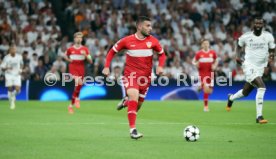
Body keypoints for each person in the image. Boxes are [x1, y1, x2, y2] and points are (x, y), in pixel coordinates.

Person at [102, 16, 166, 139]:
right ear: (139, 26)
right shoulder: (127, 40)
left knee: (137, 105)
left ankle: (126, 102)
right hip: (131, 76)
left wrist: (160, 67)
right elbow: (112, 52)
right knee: (133, 96)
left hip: (145, 79)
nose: (150, 28)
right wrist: (106, 66)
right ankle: (133, 130)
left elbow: (162, 55)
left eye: (151, 26)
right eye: (148, 26)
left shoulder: (153, 41)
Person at [226, 17, 275, 124]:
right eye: (256, 23)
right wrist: (237, 56)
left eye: (260, 23)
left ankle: (231, 98)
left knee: (245, 92)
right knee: (262, 87)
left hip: (260, 67)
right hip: (248, 65)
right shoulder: (246, 36)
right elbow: (238, 44)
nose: (258, 25)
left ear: (263, 25)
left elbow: (272, 48)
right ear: (253, 24)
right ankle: (259, 116)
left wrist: (271, 55)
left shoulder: (268, 36)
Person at [64, 32, 92, 114]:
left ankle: (71, 105)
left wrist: (86, 56)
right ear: (74, 39)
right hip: (73, 67)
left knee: (78, 86)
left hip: (81, 68)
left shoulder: (85, 49)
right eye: (77, 37)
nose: (79, 39)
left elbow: (90, 61)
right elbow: (65, 55)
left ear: (82, 39)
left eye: (80, 37)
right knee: (78, 82)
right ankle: (77, 99)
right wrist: (69, 60)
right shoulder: (70, 49)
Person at [192, 39, 218, 112]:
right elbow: (193, 61)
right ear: (202, 45)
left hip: (211, 74)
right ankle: (206, 107)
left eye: (207, 43)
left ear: (209, 44)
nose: (206, 45)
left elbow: (216, 60)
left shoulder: (212, 53)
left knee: (210, 91)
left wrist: (215, 66)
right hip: (202, 74)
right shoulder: (199, 53)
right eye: (204, 43)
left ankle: (200, 87)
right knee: (206, 90)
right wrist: (196, 64)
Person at [1, 44, 23, 109]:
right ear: (10, 50)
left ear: (16, 50)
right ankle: (12, 103)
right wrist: (7, 68)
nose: (13, 50)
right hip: (9, 75)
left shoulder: (19, 57)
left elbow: (21, 64)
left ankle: (12, 96)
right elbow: (2, 68)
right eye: (12, 49)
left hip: (17, 75)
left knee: (18, 90)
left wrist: (20, 70)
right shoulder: (6, 58)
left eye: (14, 49)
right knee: (10, 88)